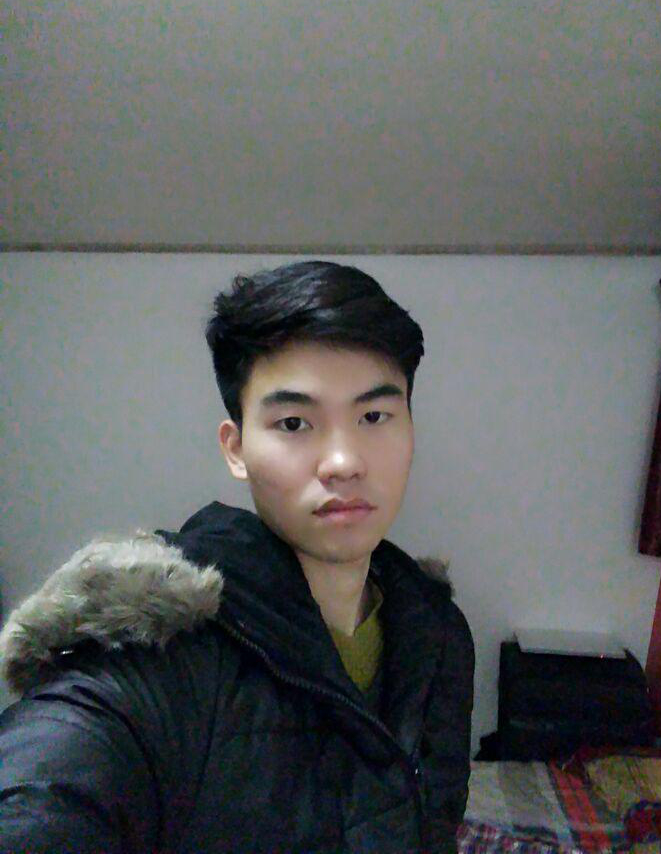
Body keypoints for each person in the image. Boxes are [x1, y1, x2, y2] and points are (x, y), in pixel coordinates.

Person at [0, 260, 475, 853]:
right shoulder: (163, 646)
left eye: (374, 416)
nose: (343, 462)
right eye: (294, 422)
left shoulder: (437, 634)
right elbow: (48, 788)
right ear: (236, 448)